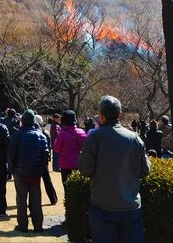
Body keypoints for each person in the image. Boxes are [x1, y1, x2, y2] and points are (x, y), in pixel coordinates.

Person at [79, 96, 151, 243]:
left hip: (102, 204)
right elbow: (145, 170)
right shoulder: (135, 138)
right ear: (120, 114)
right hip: (130, 205)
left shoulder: (94, 138)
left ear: (100, 115)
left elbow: (85, 169)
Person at [8, 110, 49, 233]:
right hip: (36, 172)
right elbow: (46, 155)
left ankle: (23, 225)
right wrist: (41, 169)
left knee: (21, 199)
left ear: (22, 121)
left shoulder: (17, 135)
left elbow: (11, 154)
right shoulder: (41, 135)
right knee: (36, 200)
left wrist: (12, 169)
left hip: (20, 172)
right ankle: (38, 226)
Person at [53, 110, 87, 185]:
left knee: (67, 187)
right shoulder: (81, 132)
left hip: (65, 166)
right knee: (77, 188)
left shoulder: (61, 134)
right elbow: (85, 148)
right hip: (78, 165)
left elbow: (56, 149)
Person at [35, 114, 58, 205]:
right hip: (43, 161)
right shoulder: (44, 133)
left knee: (34, 184)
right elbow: (47, 147)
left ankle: (34, 203)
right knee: (47, 181)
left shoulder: (30, 130)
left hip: (33, 160)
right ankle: (53, 199)